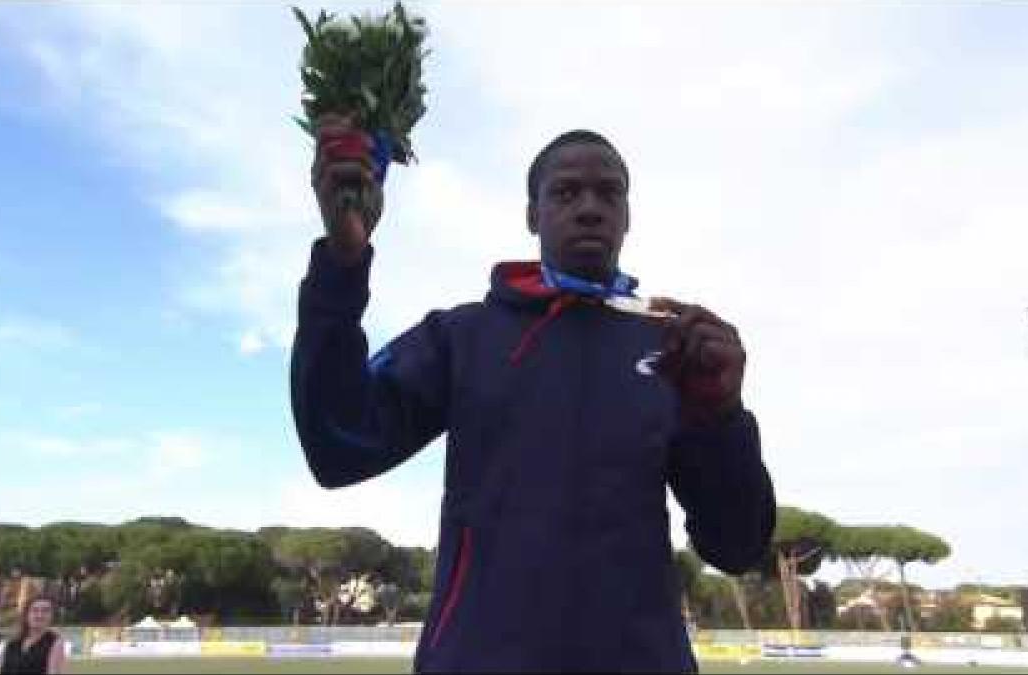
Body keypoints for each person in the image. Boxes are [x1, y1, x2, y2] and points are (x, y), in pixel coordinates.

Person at [291, 116, 776, 672]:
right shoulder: (461, 336)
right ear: (532, 214)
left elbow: (736, 546)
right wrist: (341, 265)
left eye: (608, 193)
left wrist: (721, 418)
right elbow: (338, 447)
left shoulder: (673, 347)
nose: (589, 207)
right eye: (566, 192)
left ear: (628, 216)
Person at [0, 597, 65, 675]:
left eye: (45, 611)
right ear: (27, 614)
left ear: (51, 616)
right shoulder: (13, 641)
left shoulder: (55, 643)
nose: (39, 615)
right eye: (35, 610)